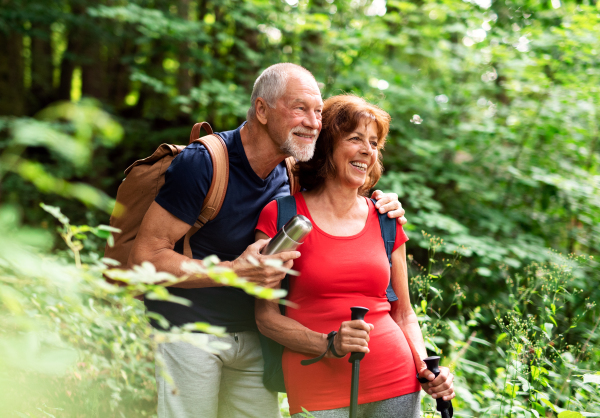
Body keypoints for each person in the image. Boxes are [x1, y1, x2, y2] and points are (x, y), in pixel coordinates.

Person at [129, 63, 407, 418]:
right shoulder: (202, 163)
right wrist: (232, 272)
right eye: (300, 108)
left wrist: (386, 204)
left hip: (256, 335)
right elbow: (145, 258)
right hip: (190, 329)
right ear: (262, 110)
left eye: (318, 111)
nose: (313, 122)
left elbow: (340, 197)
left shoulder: (291, 172)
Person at [255, 94, 455, 418]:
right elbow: (266, 318)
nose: (368, 151)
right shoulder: (283, 215)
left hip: (396, 380)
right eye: (356, 139)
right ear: (327, 146)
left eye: (374, 143)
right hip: (316, 383)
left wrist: (425, 367)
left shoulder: (386, 218)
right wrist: (329, 343)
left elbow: (403, 314)